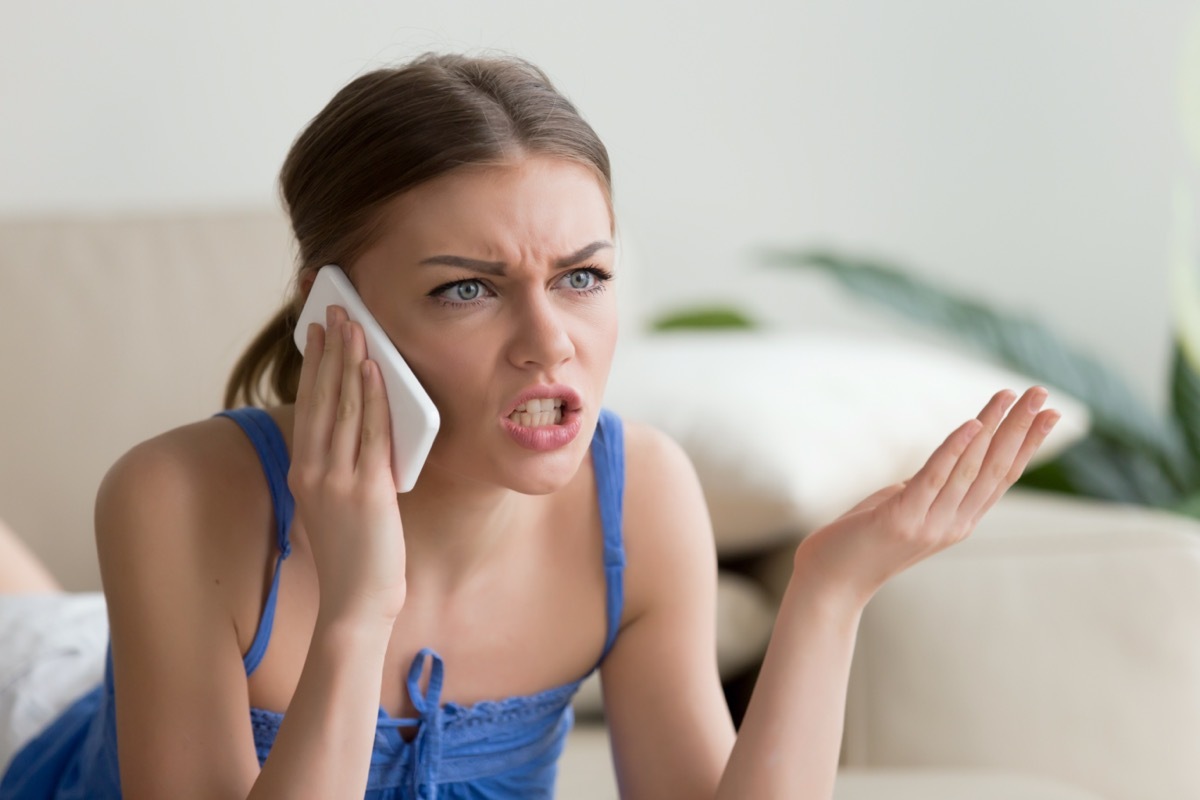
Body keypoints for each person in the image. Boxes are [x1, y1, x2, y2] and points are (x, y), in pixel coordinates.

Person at [0, 51, 1060, 800]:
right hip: (54, 704)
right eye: (469, 289)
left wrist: (831, 588)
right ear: (339, 317)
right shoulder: (173, 495)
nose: (550, 341)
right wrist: (360, 606)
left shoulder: (643, 491)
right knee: (36, 630)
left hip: (131, 647)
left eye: (584, 276)